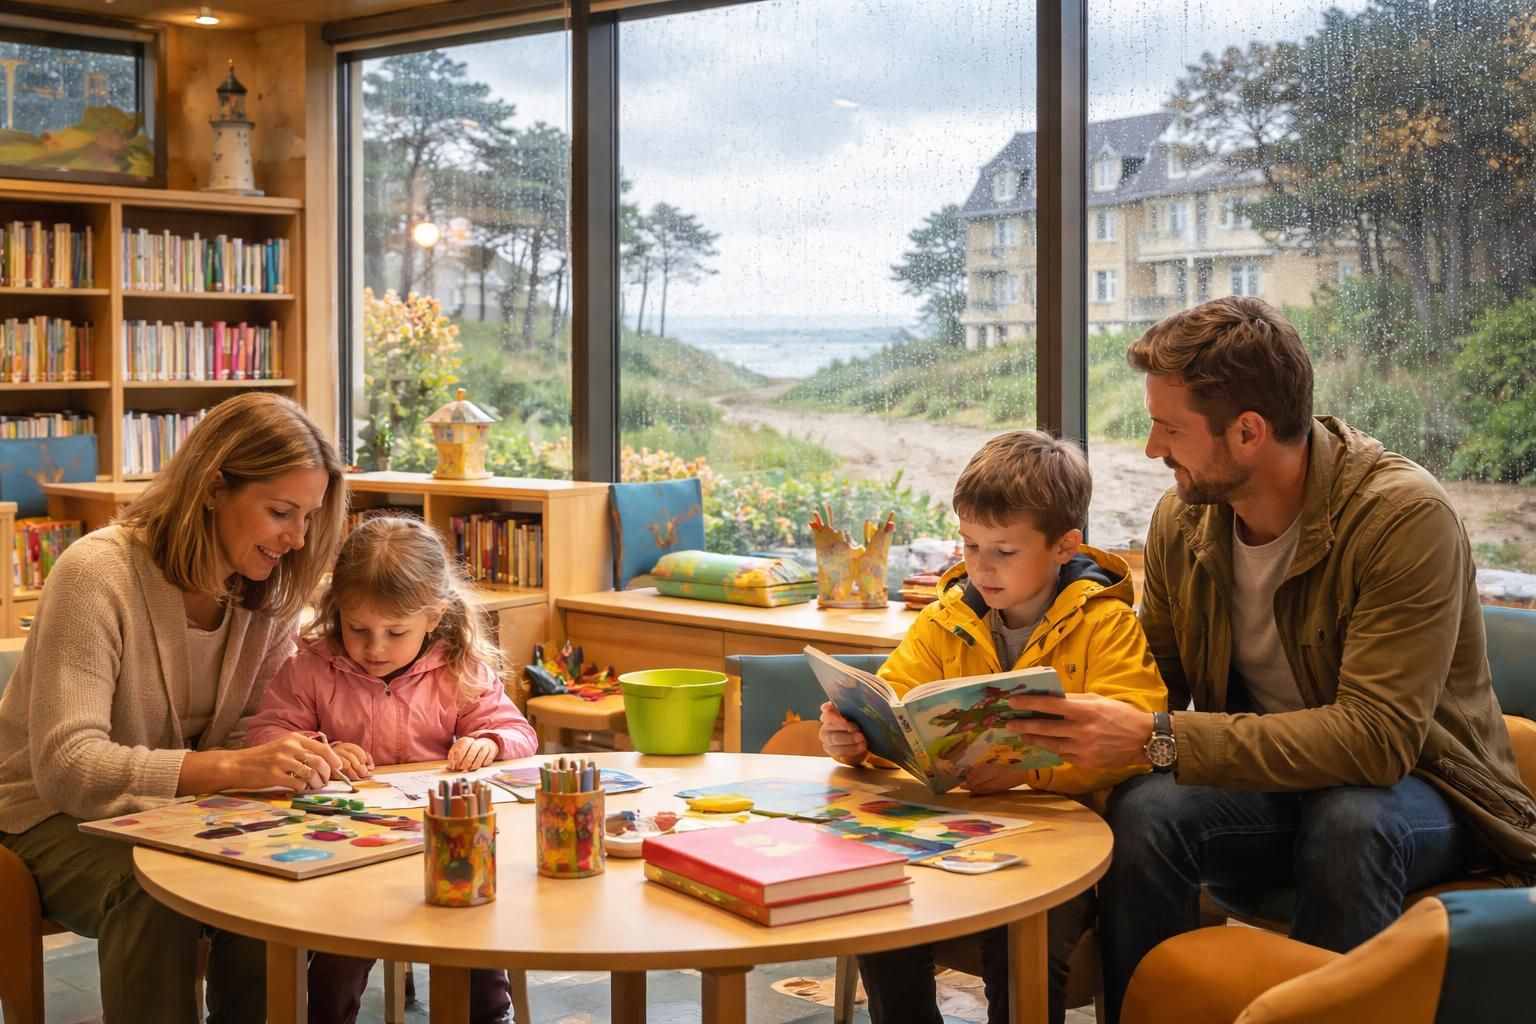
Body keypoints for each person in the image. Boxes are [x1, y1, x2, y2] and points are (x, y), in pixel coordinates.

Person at [1003, 296, 1536, 1022]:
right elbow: (1149, 681)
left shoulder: (1403, 519)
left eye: (1170, 428)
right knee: (1147, 806)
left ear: (1248, 432)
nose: (1152, 449)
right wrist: (1002, 731)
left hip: (1426, 791)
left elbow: (1377, 743)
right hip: (1271, 784)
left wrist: (1158, 739)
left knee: (1352, 819)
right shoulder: (1183, 518)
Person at [0, 392, 350, 1024]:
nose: (298, 539)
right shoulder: (96, 573)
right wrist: (231, 771)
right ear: (214, 487)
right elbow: (68, 766)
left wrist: (297, 756)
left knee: (278, 863)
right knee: (154, 888)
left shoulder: (266, 594)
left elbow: (252, 728)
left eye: (309, 516)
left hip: (176, 814)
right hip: (40, 817)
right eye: (280, 512)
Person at [817, 430, 1167, 1024]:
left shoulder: (1106, 624)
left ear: (1065, 546)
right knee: (876, 898)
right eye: (970, 544)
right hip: (949, 827)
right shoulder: (945, 615)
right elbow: (897, 707)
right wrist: (855, 741)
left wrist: (1030, 767)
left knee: (1020, 936)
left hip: (1059, 842)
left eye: (1004, 551)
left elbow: (1135, 740)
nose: (981, 567)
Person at [248, 515, 538, 1024]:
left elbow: (520, 734)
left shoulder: (459, 667)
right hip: (348, 849)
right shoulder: (311, 666)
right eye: (358, 629)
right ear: (337, 611)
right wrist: (321, 749)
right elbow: (267, 736)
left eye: (394, 631)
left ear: (435, 617)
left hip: (445, 841)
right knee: (341, 950)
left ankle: (492, 1015)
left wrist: (487, 741)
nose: (374, 647)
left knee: (473, 935)